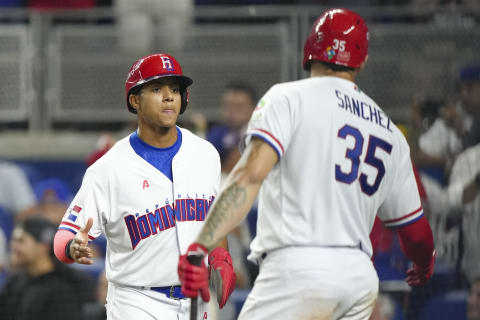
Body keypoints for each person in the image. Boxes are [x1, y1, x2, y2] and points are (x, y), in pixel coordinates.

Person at [177, 8, 436, 320]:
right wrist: (424, 262)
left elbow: (248, 177)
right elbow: (417, 234)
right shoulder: (390, 132)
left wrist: (201, 245)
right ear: (362, 61)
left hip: (297, 269)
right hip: (359, 279)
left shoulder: (288, 98)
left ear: (310, 49)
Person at [52, 53, 235, 320]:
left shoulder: (205, 154)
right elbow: (63, 237)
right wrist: (72, 247)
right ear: (135, 100)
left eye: (175, 89)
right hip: (137, 301)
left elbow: (214, 219)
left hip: (196, 301)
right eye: (156, 88)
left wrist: (221, 256)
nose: (169, 96)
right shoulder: (109, 168)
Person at [0, 216, 95, 320]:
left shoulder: (67, 287)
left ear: (43, 247)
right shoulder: (14, 282)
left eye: (20, 241)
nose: (13, 246)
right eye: (13, 240)